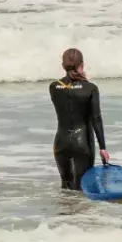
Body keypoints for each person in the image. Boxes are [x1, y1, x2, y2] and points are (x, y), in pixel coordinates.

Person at [49, 47, 110, 190]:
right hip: (82, 143)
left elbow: (68, 93)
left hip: (60, 143)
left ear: (62, 66)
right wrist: (102, 148)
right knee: (82, 189)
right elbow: (96, 118)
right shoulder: (90, 88)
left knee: (66, 187)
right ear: (81, 65)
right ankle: (81, 213)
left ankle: (65, 211)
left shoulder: (53, 87)